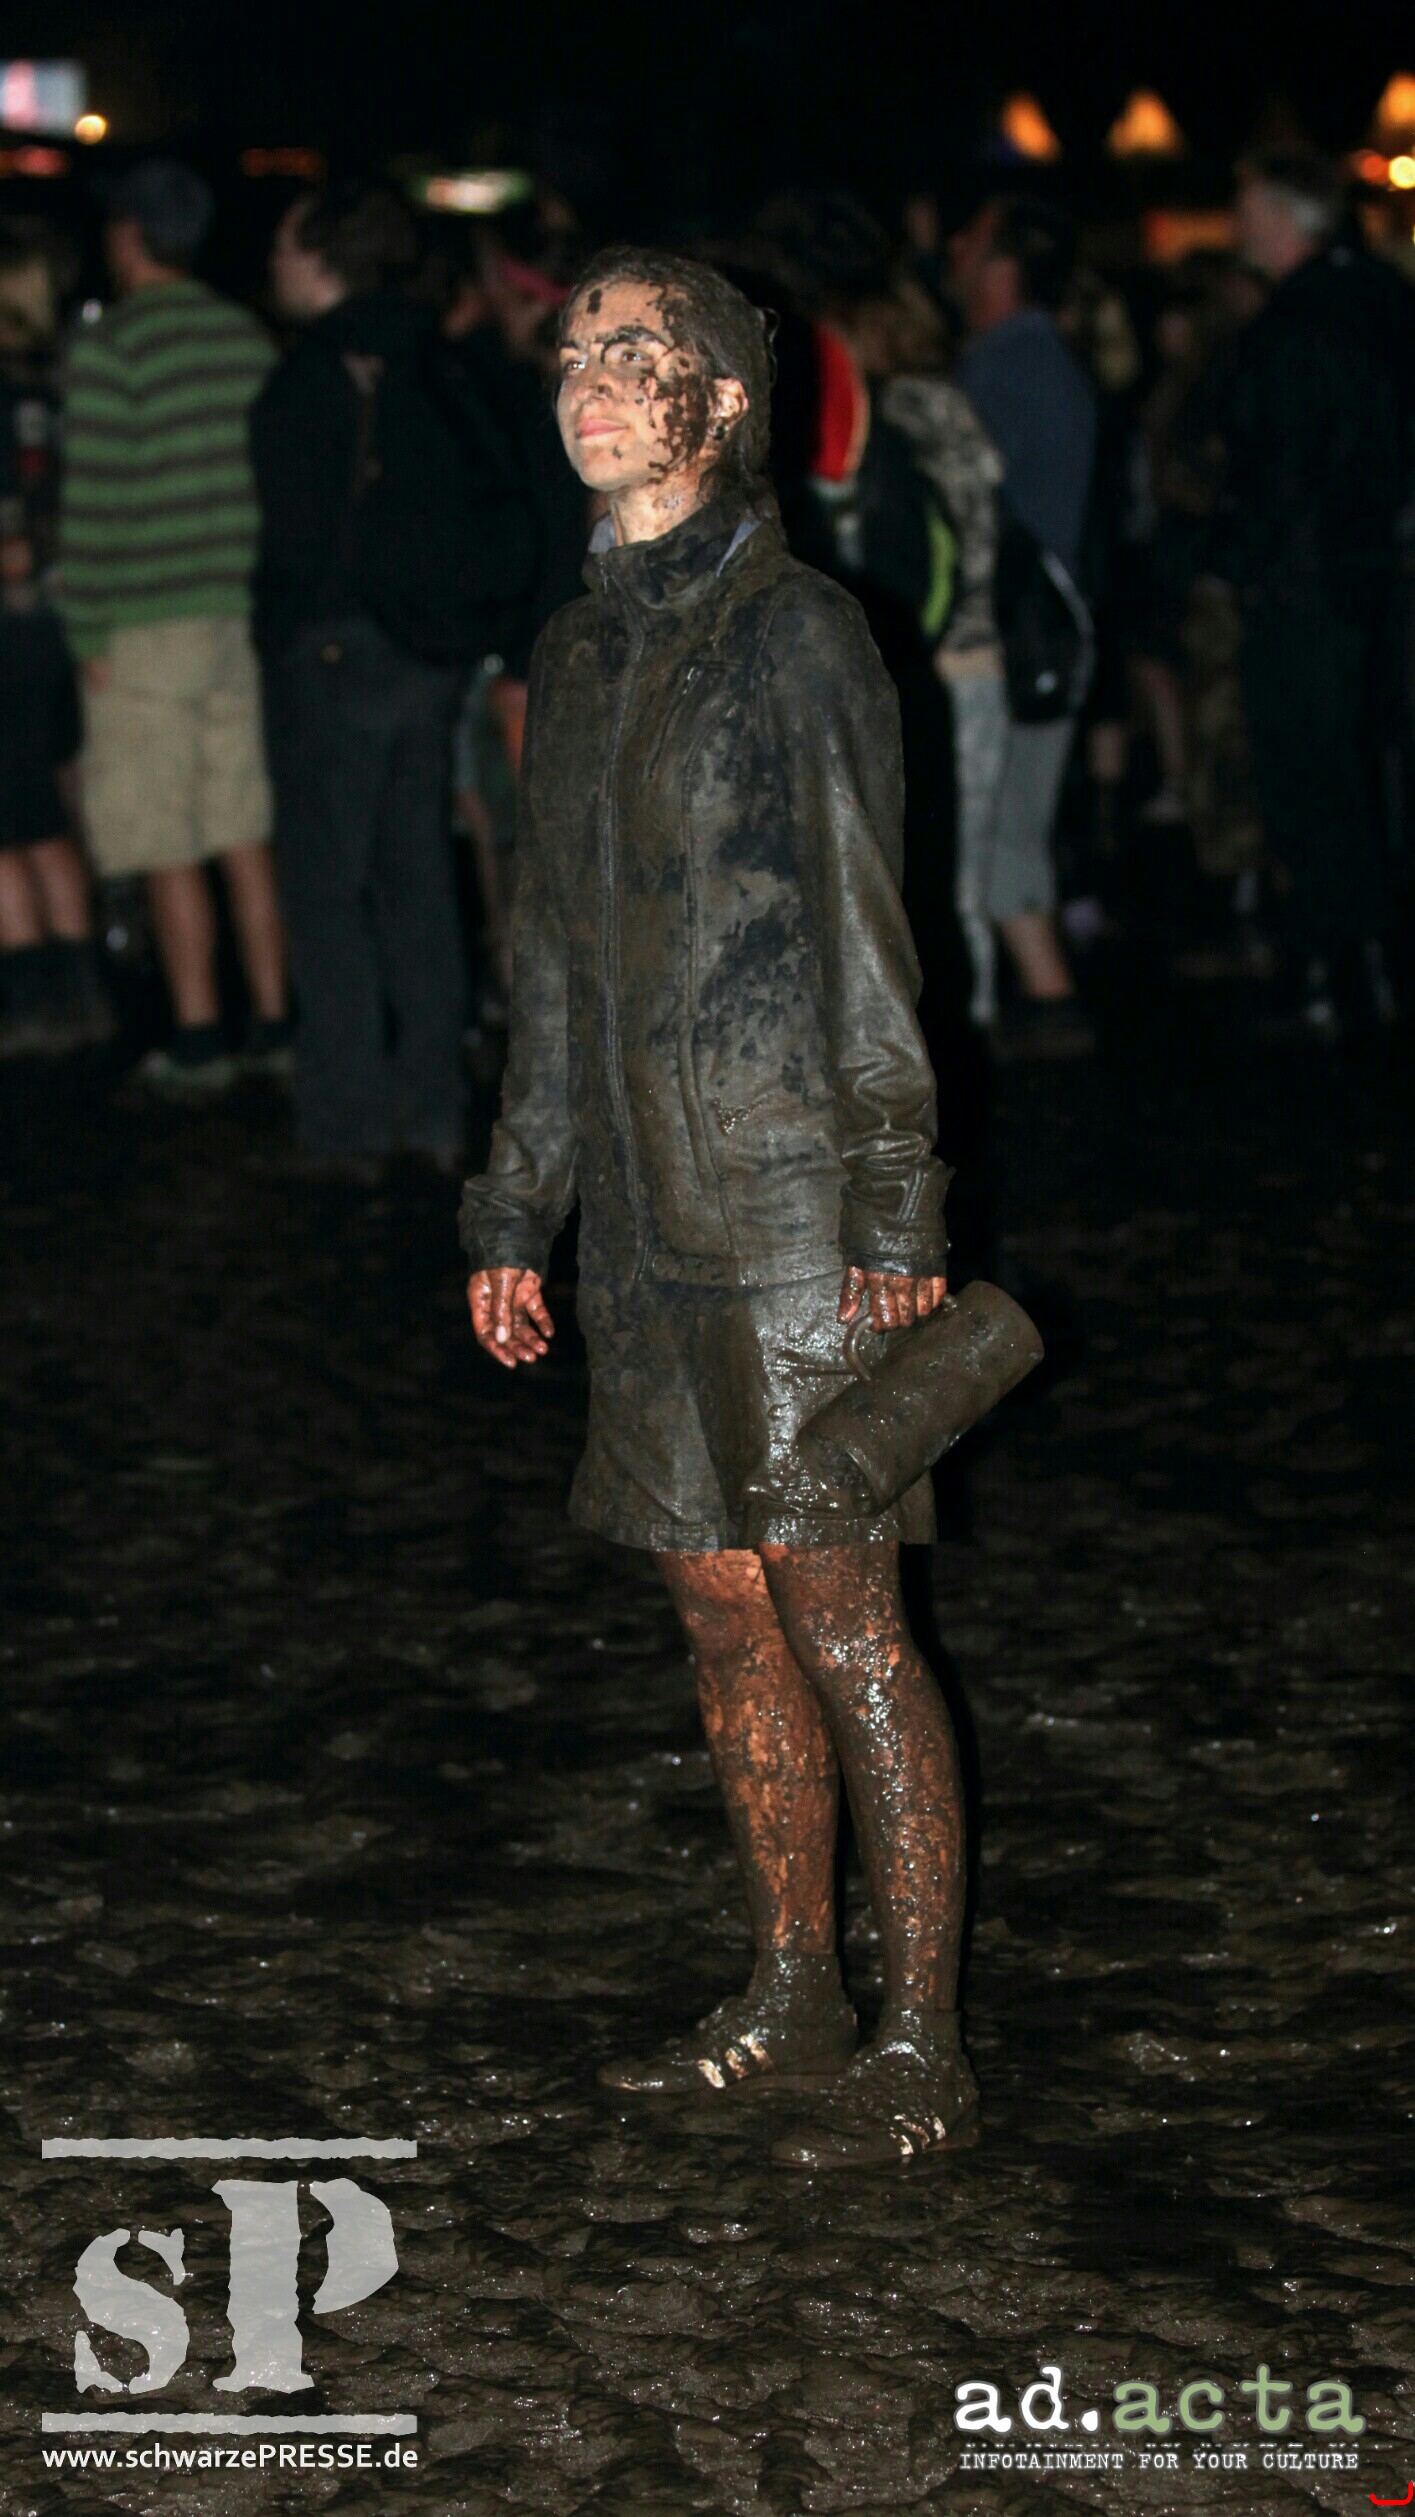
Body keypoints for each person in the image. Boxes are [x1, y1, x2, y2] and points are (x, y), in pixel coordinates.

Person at [460, 247, 978, 2169]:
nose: (592, 381)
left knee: (845, 1625)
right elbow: (550, 957)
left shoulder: (800, 634)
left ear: (727, 399)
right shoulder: (577, 649)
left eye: (638, 351)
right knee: (721, 1622)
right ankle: (790, 1986)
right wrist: (515, 1204)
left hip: (789, 1216)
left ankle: (922, 2037)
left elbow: (869, 940)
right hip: (641, 1227)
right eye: (574, 354)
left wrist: (895, 1210)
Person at [252, 184, 535, 1172]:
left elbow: (292, 531)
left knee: (329, 889)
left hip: (338, 648)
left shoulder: (315, 372)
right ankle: (432, 1108)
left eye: (287, 245)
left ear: (325, 257)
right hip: (427, 655)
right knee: (416, 876)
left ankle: (347, 1122)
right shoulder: (443, 362)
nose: (274, 263)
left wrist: (287, 624)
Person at [57, 161, 289, 1094]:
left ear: (126, 237)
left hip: (144, 622)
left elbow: (94, 505)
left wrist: (86, 632)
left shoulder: (112, 347)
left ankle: (199, 1037)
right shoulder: (245, 338)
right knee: (242, 827)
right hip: (237, 616)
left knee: (164, 837)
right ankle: (273, 1017)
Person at [1209, 150, 1408, 1038]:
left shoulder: (1296, 324)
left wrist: (1245, 561)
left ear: (1285, 218)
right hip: (1365, 575)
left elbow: (1283, 466)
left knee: (1307, 768)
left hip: (1306, 581)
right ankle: (1364, 960)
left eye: (1248, 207)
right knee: (1358, 767)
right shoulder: (1378, 300)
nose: (1236, 225)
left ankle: (1332, 965)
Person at [952, 195, 1098, 1051]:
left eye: (971, 241)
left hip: (1018, 630)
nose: (954, 252)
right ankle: (1048, 995)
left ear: (1001, 268)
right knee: (1014, 815)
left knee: (1004, 813)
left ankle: (1050, 998)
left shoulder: (1009, 366)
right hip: (1043, 624)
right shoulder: (1038, 358)